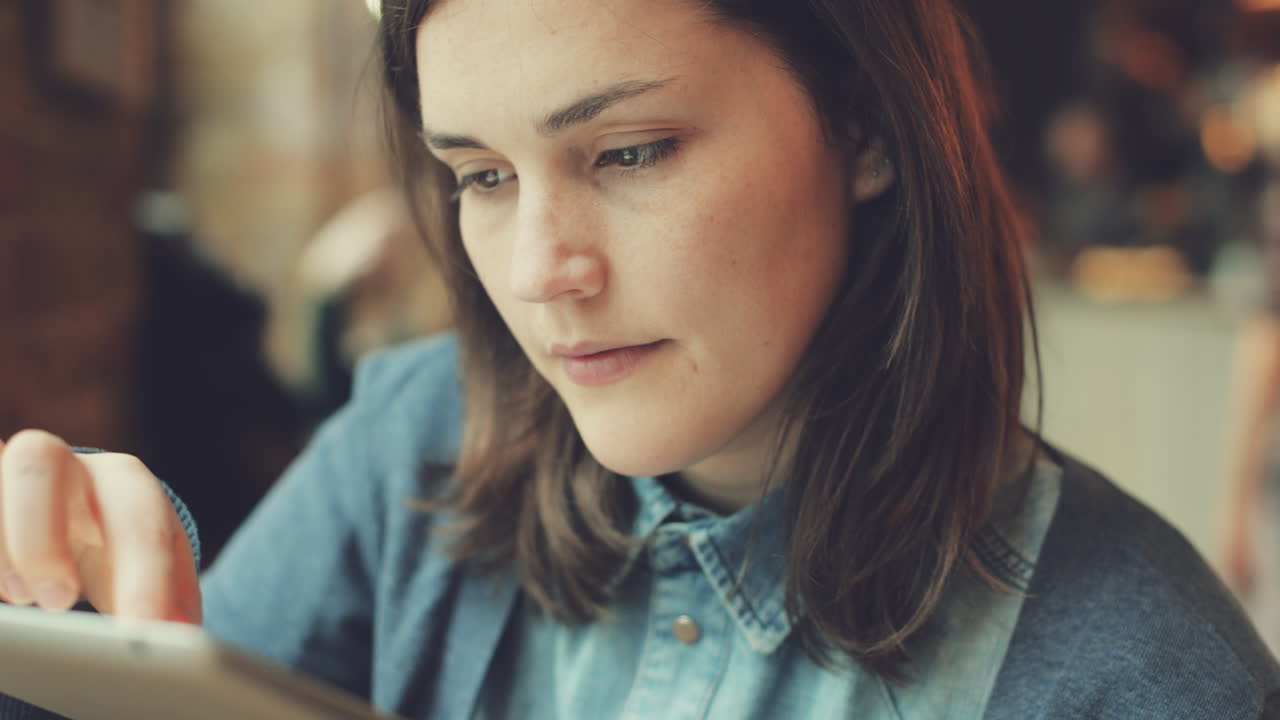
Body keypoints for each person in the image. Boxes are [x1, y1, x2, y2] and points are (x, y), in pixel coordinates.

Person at [1, 0, 1277, 717]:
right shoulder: (416, 443)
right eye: (483, 177)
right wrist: (90, 584)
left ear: (866, 129)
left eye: (627, 152)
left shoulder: (1148, 678)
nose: (542, 269)